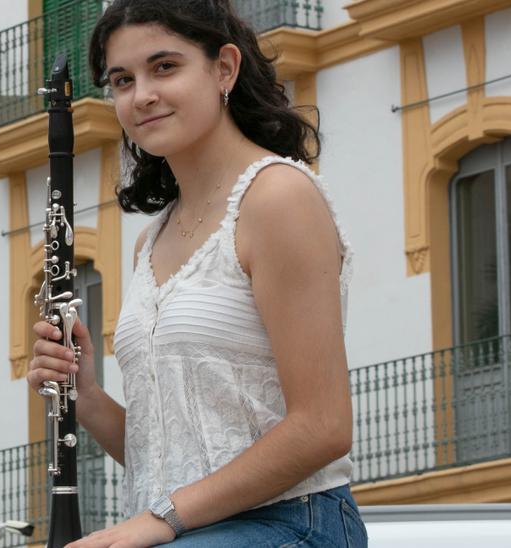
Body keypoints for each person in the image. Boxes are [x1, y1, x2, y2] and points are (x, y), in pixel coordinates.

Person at [28, 1, 368, 547]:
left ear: (224, 69)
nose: (142, 95)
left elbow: (323, 427)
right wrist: (86, 397)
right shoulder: (151, 241)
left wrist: (157, 521)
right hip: (187, 531)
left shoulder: (278, 197)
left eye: (165, 67)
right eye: (122, 80)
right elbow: (170, 453)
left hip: (290, 523)